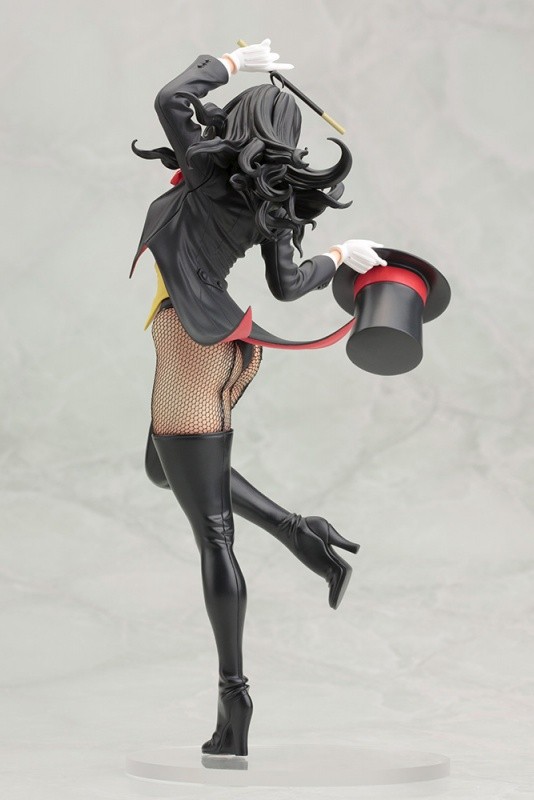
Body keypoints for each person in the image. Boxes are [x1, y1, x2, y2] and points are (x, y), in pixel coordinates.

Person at [131, 39, 386, 757]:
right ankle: (302, 531)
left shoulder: (208, 166)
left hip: (193, 350)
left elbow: (170, 98)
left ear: (239, 120)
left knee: (212, 535)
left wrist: (236, 59)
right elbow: (286, 283)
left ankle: (233, 702)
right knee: (161, 467)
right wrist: (337, 257)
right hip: (215, 348)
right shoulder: (269, 199)